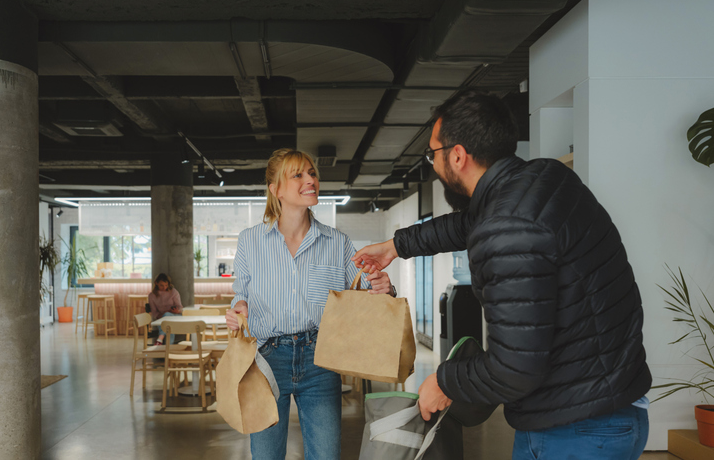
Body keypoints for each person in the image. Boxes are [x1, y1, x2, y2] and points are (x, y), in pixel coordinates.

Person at [352, 91, 652, 460]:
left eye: (433, 154)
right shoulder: (543, 178)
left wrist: (443, 383)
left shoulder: (506, 226)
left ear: (458, 156)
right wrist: (396, 246)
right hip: (609, 403)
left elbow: (515, 368)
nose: (433, 163)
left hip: (574, 429)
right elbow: (468, 222)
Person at [225, 148, 393, 460]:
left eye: (312, 173)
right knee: (265, 455)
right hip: (265, 360)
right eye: (298, 174)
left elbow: (366, 288)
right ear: (275, 189)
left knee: (326, 455)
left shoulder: (336, 242)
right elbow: (240, 294)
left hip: (321, 359)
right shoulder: (250, 241)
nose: (310, 180)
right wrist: (238, 310)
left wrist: (384, 286)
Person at [148, 273, 183, 345]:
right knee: (167, 322)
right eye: (162, 285)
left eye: (166, 285)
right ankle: (169, 348)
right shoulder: (152, 296)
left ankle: (160, 338)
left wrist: (177, 311)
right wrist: (162, 315)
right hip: (162, 318)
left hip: (175, 316)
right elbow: (154, 313)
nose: (164, 288)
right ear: (156, 283)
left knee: (167, 317)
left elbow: (180, 307)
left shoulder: (173, 292)